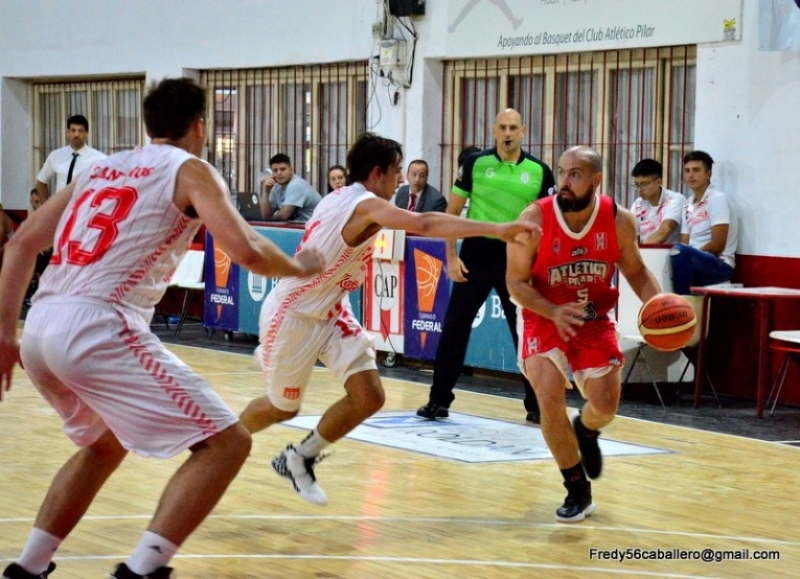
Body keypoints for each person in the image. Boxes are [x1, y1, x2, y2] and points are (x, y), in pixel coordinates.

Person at [0, 78, 324, 579]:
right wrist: (300, 264)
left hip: (42, 324)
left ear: (148, 125)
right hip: (99, 322)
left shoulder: (100, 168)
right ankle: (142, 571)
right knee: (227, 443)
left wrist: (5, 336)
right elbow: (246, 251)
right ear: (200, 127)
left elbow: (21, 244)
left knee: (102, 443)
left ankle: (29, 566)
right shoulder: (191, 170)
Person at [239, 132, 537, 506]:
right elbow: (425, 224)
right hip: (294, 314)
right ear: (378, 173)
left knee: (369, 395)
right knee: (283, 408)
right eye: (397, 171)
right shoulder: (364, 205)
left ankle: (299, 457)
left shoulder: (344, 196)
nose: (400, 178)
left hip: (330, 308)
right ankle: (220, 437)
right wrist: (497, 229)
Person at [507, 146, 661, 523]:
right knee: (548, 395)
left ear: (596, 180)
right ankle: (576, 485)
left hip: (592, 315)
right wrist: (553, 311)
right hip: (544, 314)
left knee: (606, 405)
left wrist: (658, 308)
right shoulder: (534, 219)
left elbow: (637, 273)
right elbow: (515, 282)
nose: (564, 181)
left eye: (574, 174)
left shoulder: (618, 220)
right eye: (561, 172)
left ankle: (587, 429)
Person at [416, 109, 554, 424]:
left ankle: (536, 405)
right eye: (503, 127)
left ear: (523, 131)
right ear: (494, 131)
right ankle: (438, 401)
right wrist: (451, 256)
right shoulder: (475, 164)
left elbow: (547, 220)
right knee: (454, 328)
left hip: (516, 259)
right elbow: (450, 215)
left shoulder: (539, 171)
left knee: (524, 332)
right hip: (476, 254)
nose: (508, 133)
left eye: (514, 128)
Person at [670, 150, 738, 294]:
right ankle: (679, 306)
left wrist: (688, 254)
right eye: (687, 171)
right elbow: (685, 241)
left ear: (708, 174)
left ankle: (682, 306)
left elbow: (718, 244)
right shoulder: (687, 204)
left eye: (696, 170)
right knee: (670, 256)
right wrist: (687, 254)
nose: (690, 175)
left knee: (679, 252)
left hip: (720, 264)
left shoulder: (717, 199)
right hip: (694, 260)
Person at [35, 114, 107, 203]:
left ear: (87, 133)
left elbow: (107, 186)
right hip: (60, 209)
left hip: (83, 209)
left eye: (80, 131)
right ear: (68, 132)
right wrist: (46, 206)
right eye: (73, 130)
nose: (76, 134)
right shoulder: (56, 156)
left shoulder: (100, 159)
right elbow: (41, 181)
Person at [629, 158, 685, 244]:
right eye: (637, 185)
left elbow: (663, 233)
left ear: (658, 182)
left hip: (670, 255)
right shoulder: (637, 205)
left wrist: (642, 250)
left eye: (644, 184)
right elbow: (632, 238)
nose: (639, 189)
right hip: (645, 254)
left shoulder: (675, 200)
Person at [259, 153, 322, 222]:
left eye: (282, 169)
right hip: (301, 228)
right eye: (275, 170)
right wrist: (265, 191)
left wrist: (268, 222)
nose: (279, 173)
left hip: (316, 228)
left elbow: (283, 216)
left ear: (291, 170)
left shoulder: (297, 185)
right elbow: (265, 215)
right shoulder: (277, 187)